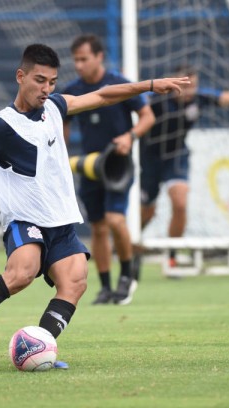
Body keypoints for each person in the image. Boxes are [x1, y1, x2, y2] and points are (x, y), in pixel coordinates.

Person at [0, 44, 190, 368]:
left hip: (61, 222)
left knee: (76, 281)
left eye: (52, 82)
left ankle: (40, 347)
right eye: (40, 80)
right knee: (22, 273)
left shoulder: (55, 107)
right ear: (20, 76)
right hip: (24, 220)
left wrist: (151, 85)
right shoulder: (2, 125)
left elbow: (104, 95)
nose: (46, 89)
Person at [139, 64, 229, 268]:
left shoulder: (200, 97)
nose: (190, 91)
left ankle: (172, 255)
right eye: (186, 86)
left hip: (177, 155)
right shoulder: (156, 99)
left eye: (194, 86)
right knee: (146, 211)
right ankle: (131, 244)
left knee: (180, 203)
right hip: (149, 158)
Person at [62, 34, 155, 306]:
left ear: (99, 57)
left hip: (117, 166)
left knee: (116, 220)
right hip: (91, 168)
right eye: (75, 60)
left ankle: (126, 276)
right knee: (99, 229)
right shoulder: (73, 89)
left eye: (84, 59)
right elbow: (61, 120)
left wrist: (130, 137)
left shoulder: (119, 84)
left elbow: (148, 116)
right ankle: (105, 287)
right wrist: (61, 152)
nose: (79, 65)